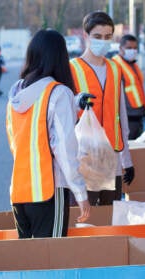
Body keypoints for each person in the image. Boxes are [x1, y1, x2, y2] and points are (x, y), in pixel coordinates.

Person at [6, 29, 90, 238]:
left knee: (30, 260)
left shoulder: (16, 93)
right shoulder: (58, 92)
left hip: (20, 190)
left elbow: (20, 138)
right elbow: (64, 149)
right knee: (50, 259)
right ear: (60, 57)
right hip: (49, 191)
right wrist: (80, 193)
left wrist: (74, 102)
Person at [70, 11, 134, 206]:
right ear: (85, 36)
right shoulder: (72, 68)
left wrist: (127, 160)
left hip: (111, 157)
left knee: (109, 216)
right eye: (97, 37)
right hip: (84, 158)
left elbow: (121, 117)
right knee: (84, 219)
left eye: (108, 37)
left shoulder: (115, 68)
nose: (103, 42)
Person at [112, 34, 145, 140]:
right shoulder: (115, 65)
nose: (133, 51)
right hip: (127, 116)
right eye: (129, 48)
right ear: (120, 48)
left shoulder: (133, 64)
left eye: (135, 48)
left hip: (138, 114)